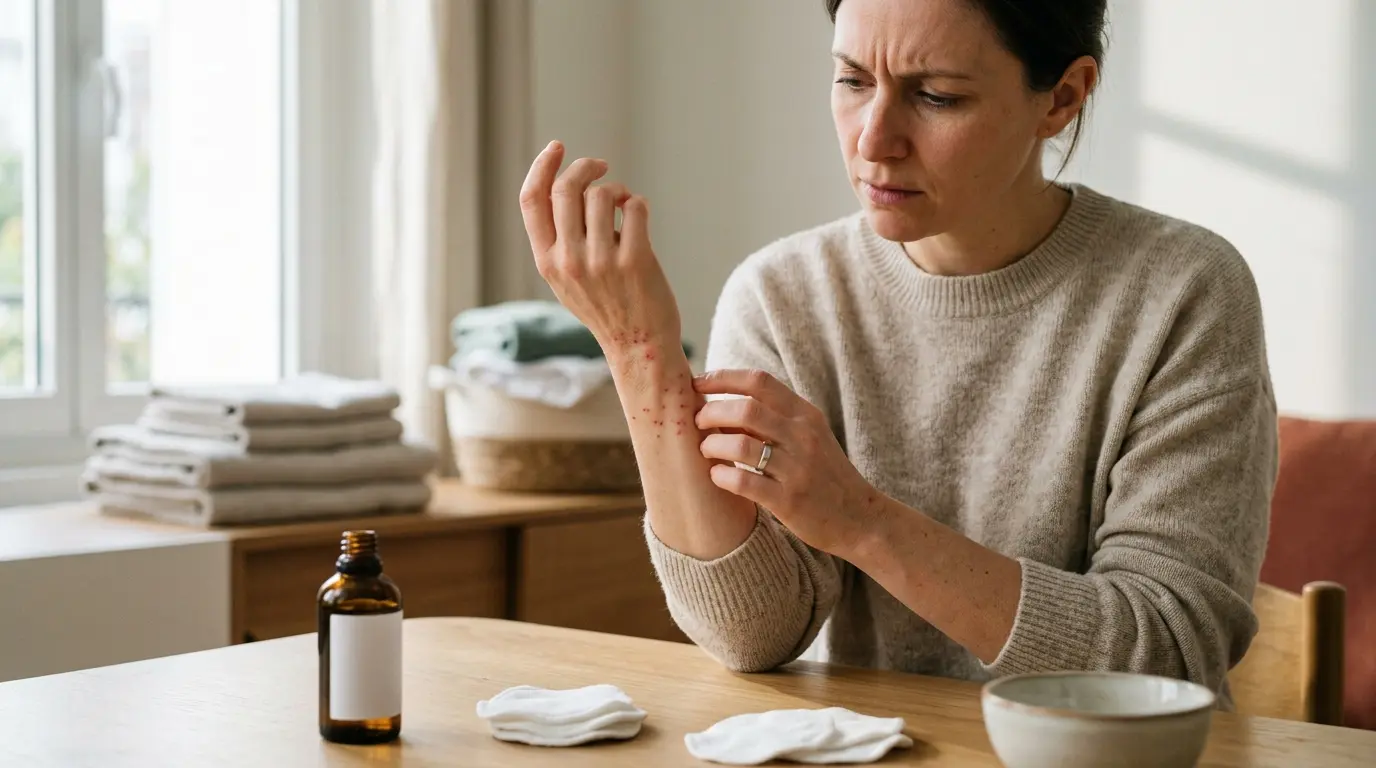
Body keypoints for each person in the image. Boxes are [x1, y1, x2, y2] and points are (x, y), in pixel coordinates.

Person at [517, 0, 1276, 706]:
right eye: (851, 80)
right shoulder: (784, 294)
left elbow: (1168, 654)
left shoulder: (1185, 291)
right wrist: (636, 348)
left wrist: (862, 520)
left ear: (1063, 97)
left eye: (937, 96)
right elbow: (751, 634)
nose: (873, 139)